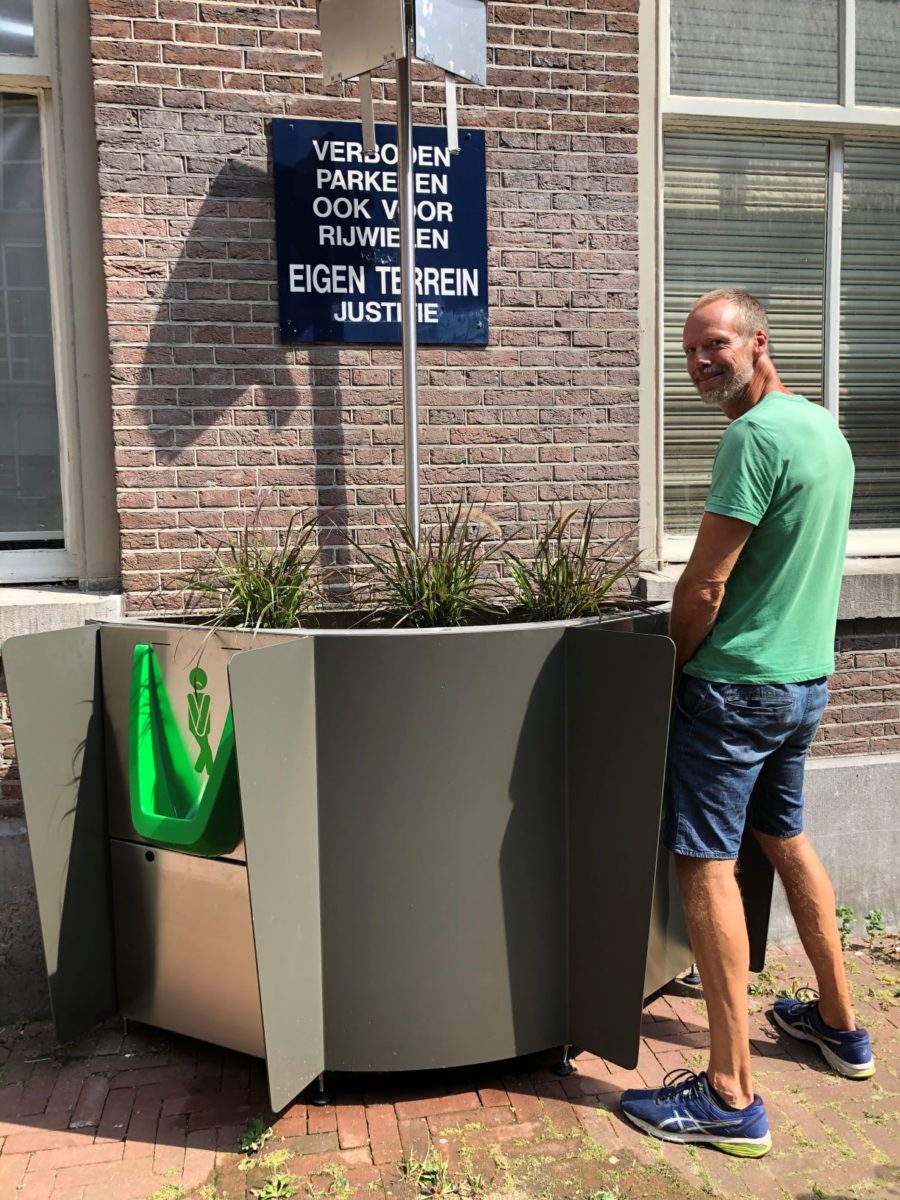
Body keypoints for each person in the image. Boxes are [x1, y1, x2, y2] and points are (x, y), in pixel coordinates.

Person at [620, 289, 874, 1159]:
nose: (700, 362)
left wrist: (669, 667)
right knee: (787, 838)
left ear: (758, 342)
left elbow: (702, 587)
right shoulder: (822, 428)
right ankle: (839, 1026)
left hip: (734, 691)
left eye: (715, 345)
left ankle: (729, 1095)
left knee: (705, 864)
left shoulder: (754, 437)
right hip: (804, 682)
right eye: (690, 350)